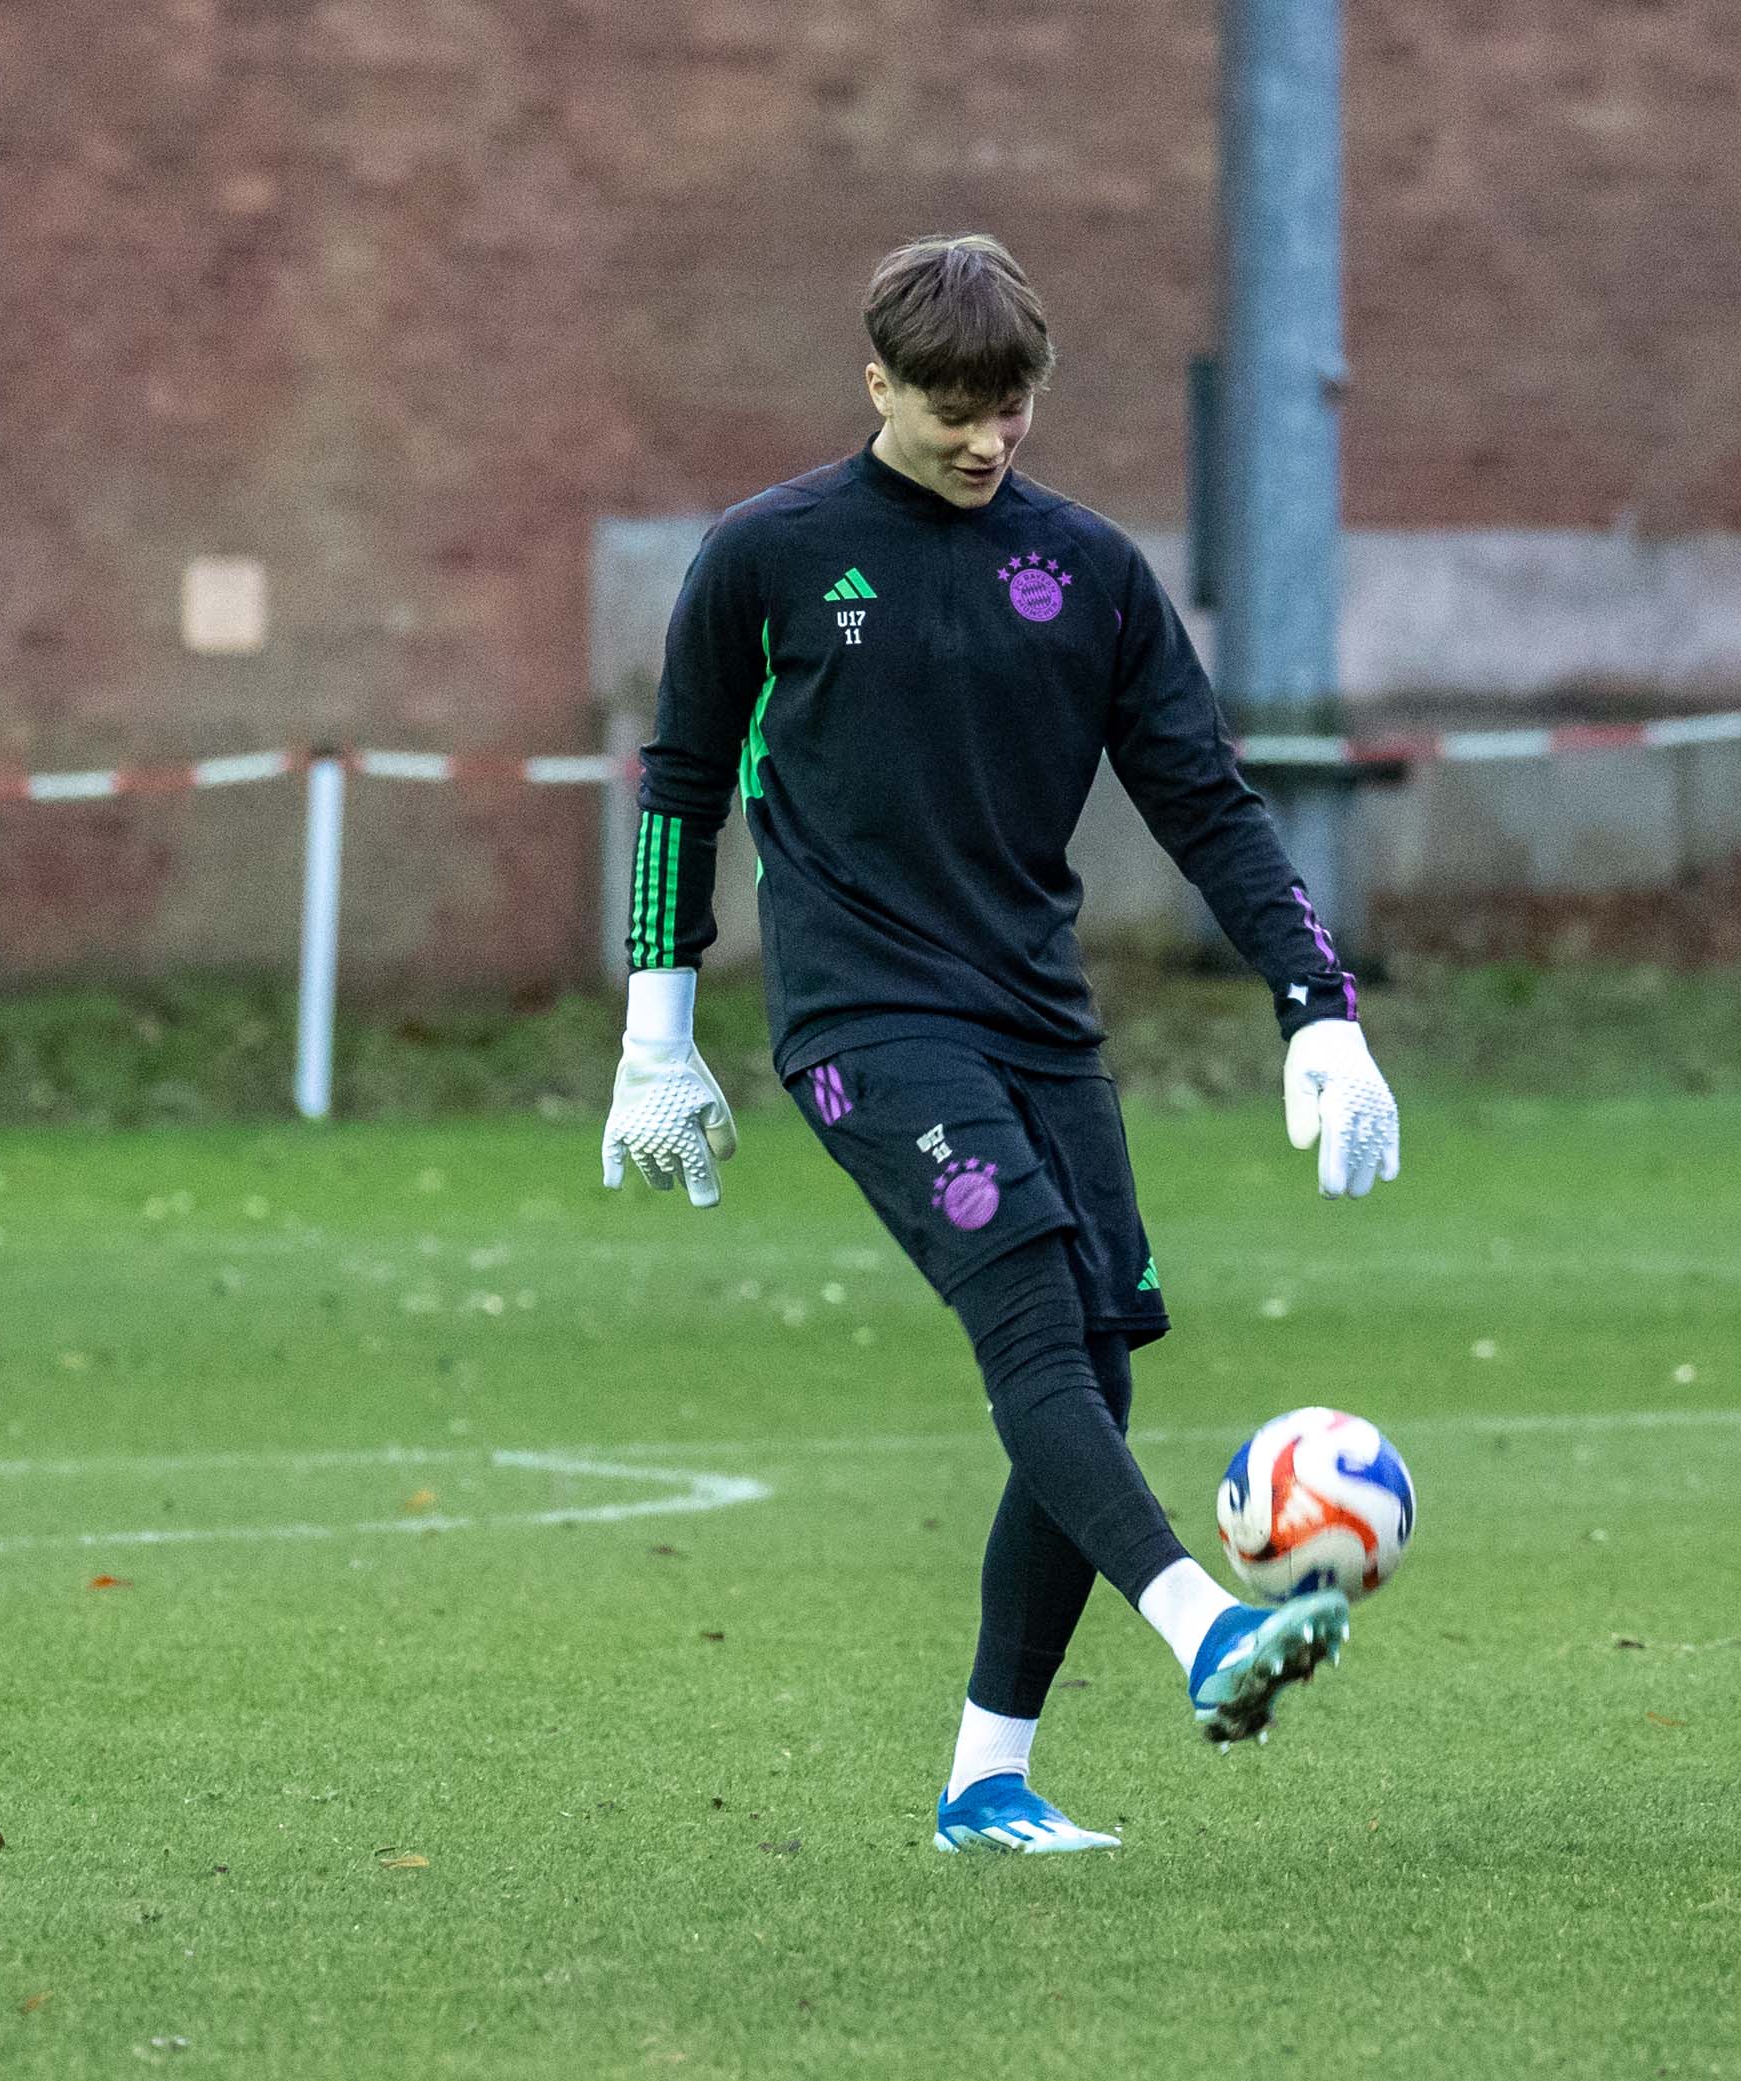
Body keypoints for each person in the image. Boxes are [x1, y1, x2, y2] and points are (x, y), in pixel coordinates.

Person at [598, 232, 1405, 1856]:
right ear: (878, 381)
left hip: (1037, 1019)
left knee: (1092, 1364)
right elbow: (679, 783)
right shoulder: (765, 556)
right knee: (1033, 1315)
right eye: (952, 407)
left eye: (1012, 406)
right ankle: (1204, 1626)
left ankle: (987, 1779)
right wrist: (656, 1032)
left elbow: (1208, 803)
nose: (986, 439)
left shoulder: (1091, 573)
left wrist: (1320, 1006)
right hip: (862, 1019)